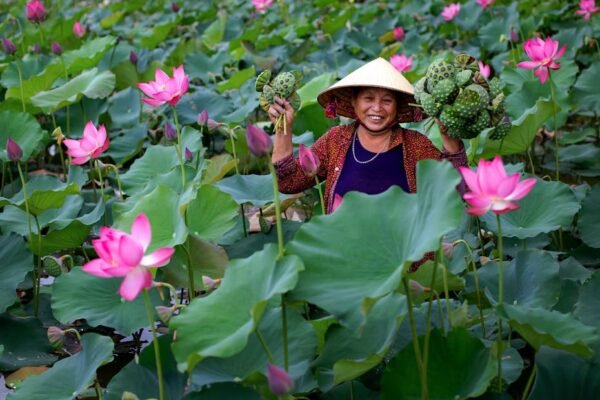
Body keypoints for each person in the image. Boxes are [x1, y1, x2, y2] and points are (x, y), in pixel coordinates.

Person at [268, 57, 467, 214]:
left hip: (401, 254)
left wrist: (449, 136)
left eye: (387, 101)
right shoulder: (335, 140)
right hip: (344, 250)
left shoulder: (415, 144)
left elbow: (455, 191)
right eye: (368, 99)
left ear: (398, 107)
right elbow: (289, 182)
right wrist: (283, 129)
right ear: (354, 102)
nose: (377, 108)